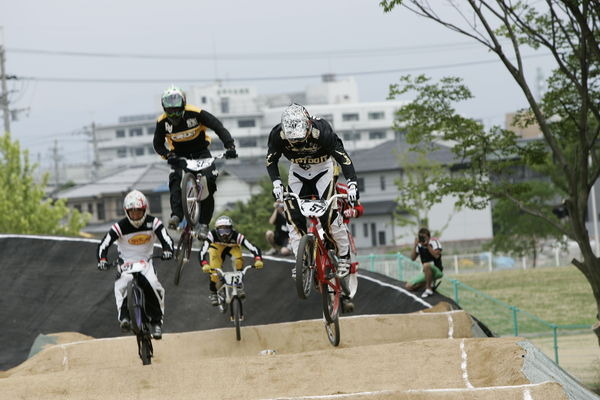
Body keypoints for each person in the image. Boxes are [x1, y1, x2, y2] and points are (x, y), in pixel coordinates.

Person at [265, 103, 359, 312]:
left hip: (323, 169)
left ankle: (343, 256)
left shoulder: (321, 130)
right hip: (297, 171)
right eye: (293, 141)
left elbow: (342, 156)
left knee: (329, 216)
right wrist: (276, 183)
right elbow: (271, 160)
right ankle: (301, 259)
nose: (297, 144)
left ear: (308, 126)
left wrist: (352, 182)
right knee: (292, 215)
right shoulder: (277, 134)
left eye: (301, 139)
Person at [153, 85, 238, 238]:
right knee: (174, 178)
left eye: (177, 110)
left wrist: (230, 145)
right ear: (164, 109)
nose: (174, 115)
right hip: (179, 155)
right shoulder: (162, 122)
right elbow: (158, 145)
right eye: (170, 111)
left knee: (209, 181)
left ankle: (204, 224)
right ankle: (176, 216)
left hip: (201, 153)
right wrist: (168, 155)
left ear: (184, 105)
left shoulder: (196, 113)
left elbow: (218, 126)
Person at [96, 190, 174, 339]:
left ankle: (156, 322)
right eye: (132, 212)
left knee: (153, 284)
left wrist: (168, 250)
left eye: (138, 212)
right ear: (126, 212)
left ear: (145, 210)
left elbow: (166, 239)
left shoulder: (154, 222)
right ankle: (124, 317)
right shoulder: (120, 226)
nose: (135, 215)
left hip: (146, 262)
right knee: (122, 285)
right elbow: (103, 245)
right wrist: (102, 260)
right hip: (126, 262)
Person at [199, 215, 264, 305]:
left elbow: (252, 247)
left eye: (227, 230)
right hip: (216, 248)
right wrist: (204, 263)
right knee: (213, 270)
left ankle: (239, 286)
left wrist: (258, 259)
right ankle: (213, 292)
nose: (224, 234)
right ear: (217, 230)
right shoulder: (211, 235)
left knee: (238, 260)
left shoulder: (237, 236)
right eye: (221, 231)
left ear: (231, 229)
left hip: (232, 247)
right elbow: (203, 250)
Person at [406, 227, 444, 298]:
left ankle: (428, 289)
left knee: (426, 265)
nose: (422, 239)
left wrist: (427, 246)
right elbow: (412, 258)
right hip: (426, 272)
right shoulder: (419, 245)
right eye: (421, 237)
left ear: (429, 237)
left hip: (437, 270)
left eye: (424, 237)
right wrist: (415, 245)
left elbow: (436, 256)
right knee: (408, 286)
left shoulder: (434, 242)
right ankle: (429, 283)